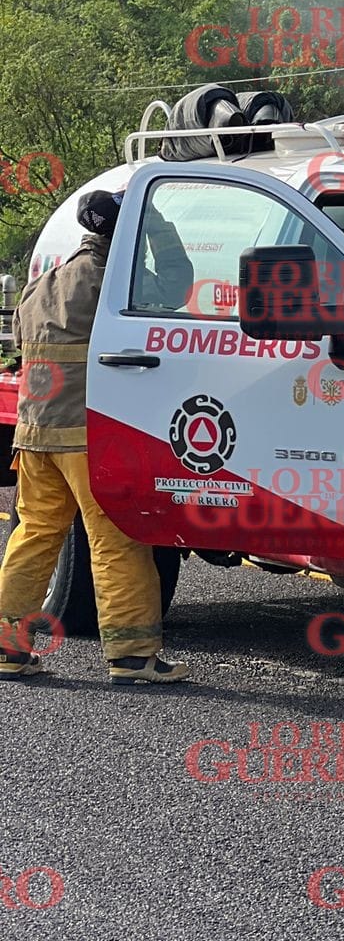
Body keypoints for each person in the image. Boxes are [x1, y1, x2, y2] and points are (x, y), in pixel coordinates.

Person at [0, 188, 189, 684]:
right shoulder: (118, 283)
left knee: (35, 535)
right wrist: (161, 228)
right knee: (115, 539)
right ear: (125, 232)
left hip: (36, 436)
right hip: (91, 438)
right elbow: (180, 285)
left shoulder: (42, 285)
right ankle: (133, 658)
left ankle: (7, 649)